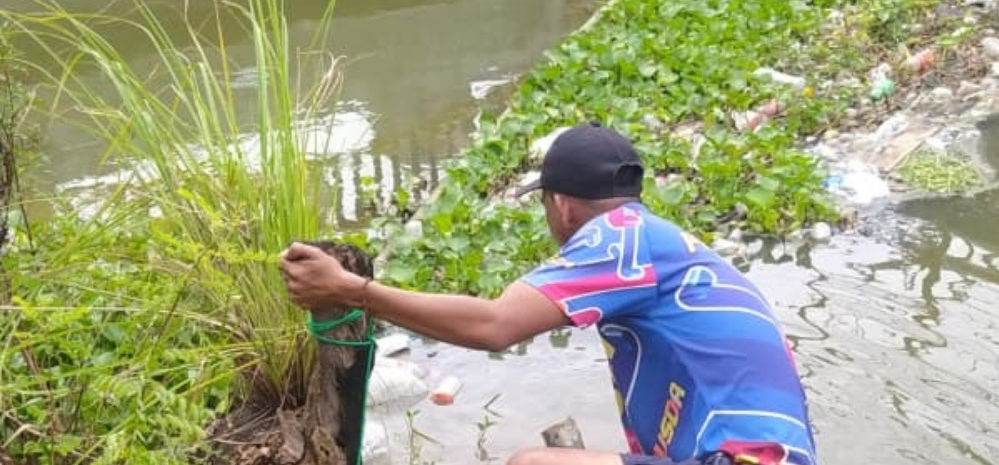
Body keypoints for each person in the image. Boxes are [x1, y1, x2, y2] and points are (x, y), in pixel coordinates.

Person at [281, 123, 819, 465]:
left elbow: (495, 325)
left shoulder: (620, 238)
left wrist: (352, 289)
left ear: (561, 206)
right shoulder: (663, 243)